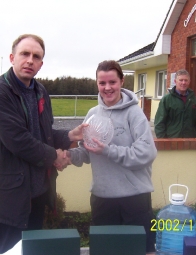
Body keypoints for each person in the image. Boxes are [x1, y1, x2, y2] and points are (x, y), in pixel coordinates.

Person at [0, 34, 86, 254]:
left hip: (38, 191)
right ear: (12, 57)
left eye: (36, 56)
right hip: (11, 194)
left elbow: (43, 135)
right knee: (10, 249)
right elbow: (18, 140)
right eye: (25, 54)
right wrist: (55, 156)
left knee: (31, 248)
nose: (30, 60)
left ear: (41, 64)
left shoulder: (40, 91)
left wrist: (70, 135)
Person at [66, 60, 157, 253]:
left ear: (122, 81)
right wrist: (67, 156)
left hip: (135, 200)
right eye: (102, 83)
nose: (107, 88)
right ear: (97, 83)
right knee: (105, 251)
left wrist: (107, 150)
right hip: (103, 199)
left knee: (139, 250)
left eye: (112, 82)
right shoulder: (92, 114)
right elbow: (88, 150)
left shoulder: (135, 114)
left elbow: (146, 153)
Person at [154, 69, 196, 138]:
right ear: (175, 81)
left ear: (189, 82)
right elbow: (159, 123)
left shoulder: (193, 100)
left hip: (190, 142)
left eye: (186, 80)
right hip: (171, 141)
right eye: (181, 80)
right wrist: (163, 140)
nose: (183, 83)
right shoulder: (167, 99)